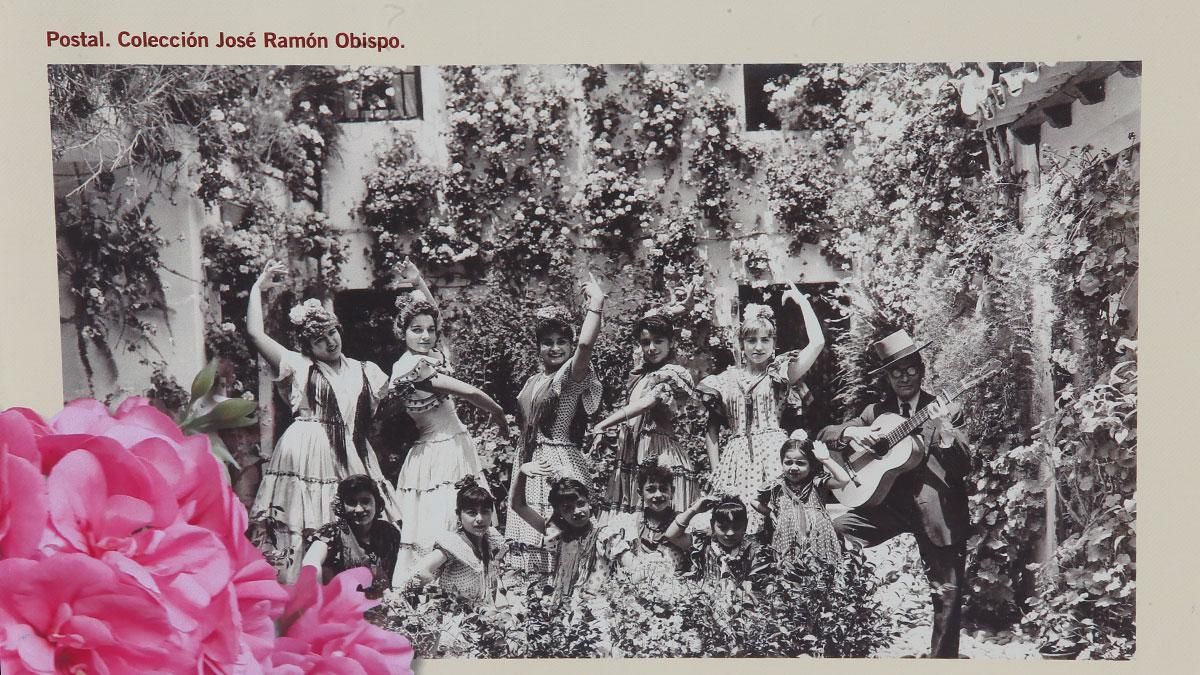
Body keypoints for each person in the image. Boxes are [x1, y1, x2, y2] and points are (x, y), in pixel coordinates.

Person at [816, 329, 970, 659]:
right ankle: (839, 634)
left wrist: (945, 434)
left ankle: (943, 661)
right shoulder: (875, 413)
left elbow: (963, 467)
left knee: (948, 593)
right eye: (895, 370)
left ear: (922, 369)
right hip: (887, 507)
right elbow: (826, 436)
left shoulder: (946, 410)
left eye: (911, 367)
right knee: (833, 531)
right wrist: (853, 432)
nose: (904, 376)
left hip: (936, 508)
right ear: (887, 376)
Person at [247, 260, 401, 582]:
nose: (330, 342)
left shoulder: (364, 370)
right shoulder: (299, 365)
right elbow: (255, 333)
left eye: (332, 333)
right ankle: (302, 592)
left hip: (352, 450)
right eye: (319, 340)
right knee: (307, 523)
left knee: (361, 520)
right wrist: (257, 290)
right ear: (308, 346)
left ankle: (360, 590)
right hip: (308, 450)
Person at [383, 259, 511, 576]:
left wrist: (418, 282)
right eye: (416, 331)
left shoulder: (430, 355)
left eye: (429, 331)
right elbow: (469, 392)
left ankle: (474, 579)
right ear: (403, 332)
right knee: (441, 517)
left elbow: (434, 319)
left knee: (471, 512)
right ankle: (438, 582)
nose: (425, 336)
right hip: (436, 451)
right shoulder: (411, 368)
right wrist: (498, 413)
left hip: (454, 444)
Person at [696, 284, 825, 533]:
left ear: (774, 343)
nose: (758, 347)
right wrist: (715, 473)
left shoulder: (780, 373)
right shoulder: (724, 381)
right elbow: (711, 430)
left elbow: (817, 342)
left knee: (781, 518)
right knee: (734, 523)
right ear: (741, 344)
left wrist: (802, 302)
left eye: (765, 340)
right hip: (736, 460)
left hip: (774, 453)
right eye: (751, 340)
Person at [504, 275, 605, 573]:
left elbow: (586, 346)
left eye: (562, 342)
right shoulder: (534, 382)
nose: (555, 348)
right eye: (547, 342)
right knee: (531, 529)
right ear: (538, 347)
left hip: (558, 460)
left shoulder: (569, 379)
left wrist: (596, 306)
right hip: (528, 460)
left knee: (567, 529)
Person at [594, 300, 699, 515]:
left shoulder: (672, 373)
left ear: (671, 343)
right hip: (632, 451)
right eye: (645, 342)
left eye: (658, 341)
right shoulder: (641, 376)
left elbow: (647, 403)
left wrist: (603, 424)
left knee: (659, 511)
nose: (651, 348)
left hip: (657, 450)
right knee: (633, 517)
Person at [753, 432, 850, 581]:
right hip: (787, 540)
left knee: (821, 576)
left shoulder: (816, 482)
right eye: (788, 462)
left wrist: (826, 459)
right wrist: (770, 512)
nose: (793, 467)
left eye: (800, 463)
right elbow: (755, 501)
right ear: (782, 462)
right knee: (790, 578)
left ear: (811, 465)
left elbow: (843, 480)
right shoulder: (777, 485)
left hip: (819, 538)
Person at [399, 476, 509, 604]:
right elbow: (420, 572)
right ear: (459, 515)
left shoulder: (492, 540)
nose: (480, 518)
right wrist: (441, 596)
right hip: (454, 615)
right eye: (472, 513)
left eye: (485, 512)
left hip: (485, 613)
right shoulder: (452, 544)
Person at [510, 459, 604, 600]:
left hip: (594, 605)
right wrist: (521, 472)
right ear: (559, 512)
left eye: (580, 504)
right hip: (562, 604)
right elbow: (519, 506)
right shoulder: (558, 535)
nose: (577, 511)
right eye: (567, 508)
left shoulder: (604, 537)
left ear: (589, 503)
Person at [301, 474, 402, 599]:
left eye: (365, 501)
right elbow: (310, 562)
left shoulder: (389, 532)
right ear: (342, 506)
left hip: (384, 606)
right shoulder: (332, 531)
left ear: (377, 502)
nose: (359, 509)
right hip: (344, 610)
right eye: (351, 503)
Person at [599, 462, 690, 580]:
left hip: (675, 587)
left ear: (672, 491)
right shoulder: (628, 522)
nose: (658, 495)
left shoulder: (682, 522)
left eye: (663, 489)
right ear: (640, 493)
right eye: (651, 490)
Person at [665, 494, 773, 587]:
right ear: (712, 525)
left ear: (745, 525)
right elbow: (672, 535)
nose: (730, 533)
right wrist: (693, 510)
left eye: (736, 527)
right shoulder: (703, 544)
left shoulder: (752, 550)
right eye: (723, 528)